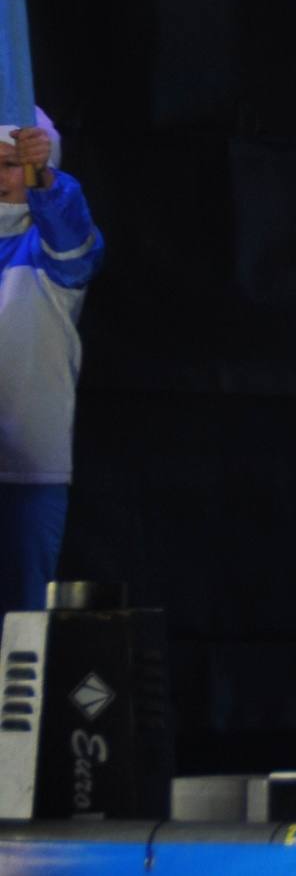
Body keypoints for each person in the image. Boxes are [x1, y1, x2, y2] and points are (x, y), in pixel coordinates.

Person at [0, 110, 102, 613]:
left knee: (19, 624)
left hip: (28, 476)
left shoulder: (48, 255)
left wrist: (46, 177)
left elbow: (71, 236)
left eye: (11, 164)